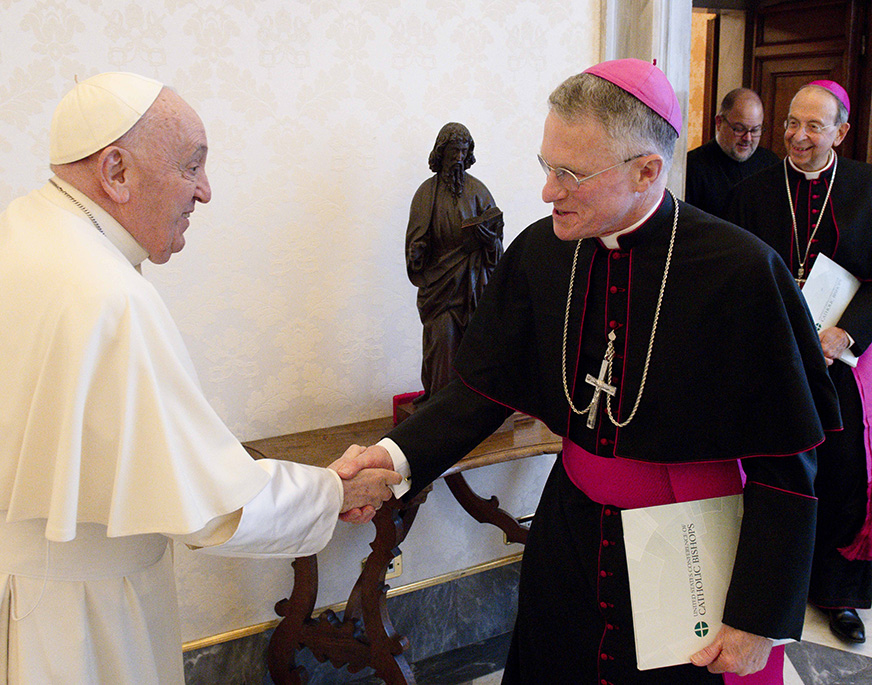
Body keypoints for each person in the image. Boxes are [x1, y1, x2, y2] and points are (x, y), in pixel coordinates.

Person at [0, 72, 399, 684]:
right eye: (191, 167)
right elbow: (210, 503)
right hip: (37, 610)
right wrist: (333, 491)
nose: (204, 192)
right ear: (116, 171)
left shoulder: (16, 228)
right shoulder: (105, 294)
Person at [338, 59, 839, 683]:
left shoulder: (742, 273)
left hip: (689, 545)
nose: (548, 190)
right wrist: (395, 458)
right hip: (569, 534)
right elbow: (480, 389)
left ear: (647, 171)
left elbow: (788, 464)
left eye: (569, 174)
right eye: (546, 165)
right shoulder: (539, 252)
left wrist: (759, 615)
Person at [727, 80, 872, 644]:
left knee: (841, 474)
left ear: (840, 132)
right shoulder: (752, 190)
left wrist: (845, 335)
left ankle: (839, 594)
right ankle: (770, 588)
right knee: (775, 472)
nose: (798, 136)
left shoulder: (866, 189)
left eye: (814, 126)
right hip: (773, 358)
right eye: (791, 123)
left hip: (841, 362)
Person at [406, 122, 503, 403]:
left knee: (479, 345)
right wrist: (417, 252)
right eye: (453, 152)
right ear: (441, 152)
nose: (458, 158)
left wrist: (488, 240)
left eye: (463, 151)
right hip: (440, 286)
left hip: (475, 282)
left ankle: (477, 407)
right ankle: (441, 408)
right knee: (443, 339)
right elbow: (416, 242)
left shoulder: (478, 191)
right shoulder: (426, 193)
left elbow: (497, 242)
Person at [684, 88, 780, 217]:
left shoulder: (771, 164)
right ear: (719, 122)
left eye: (755, 130)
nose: (748, 138)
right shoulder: (691, 167)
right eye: (739, 129)